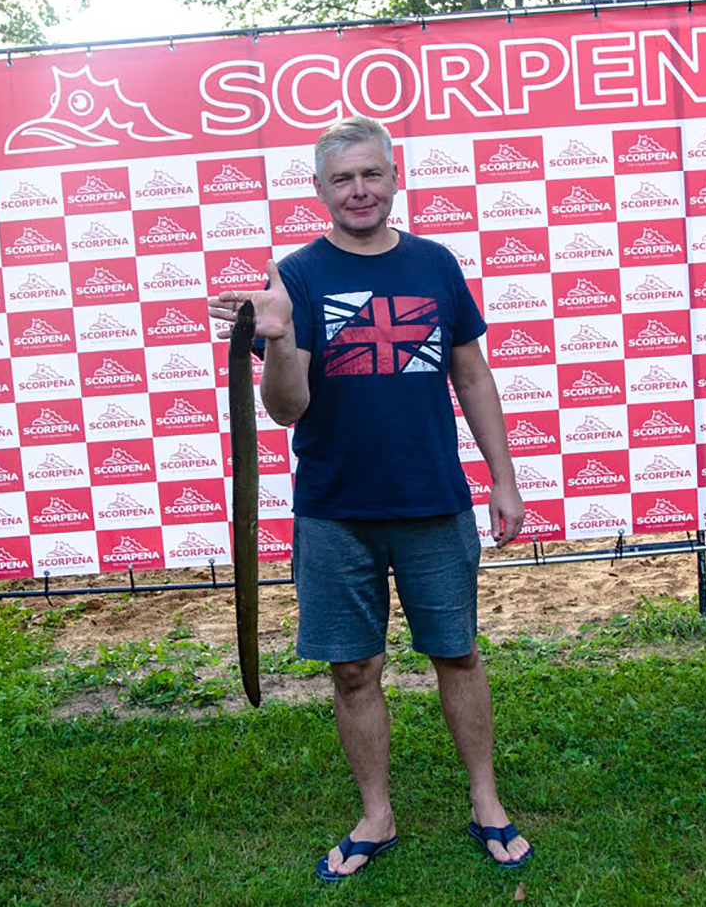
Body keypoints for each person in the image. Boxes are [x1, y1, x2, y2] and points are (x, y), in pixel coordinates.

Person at [208, 116, 531, 881]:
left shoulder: (434, 264)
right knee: (353, 670)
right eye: (342, 178)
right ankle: (375, 815)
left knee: (458, 653)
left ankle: (485, 800)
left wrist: (504, 477)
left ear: (393, 178)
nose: (359, 190)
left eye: (371, 174)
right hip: (335, 509)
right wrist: (277, 340)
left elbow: (471, 374)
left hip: (432, 500)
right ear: (319, 190)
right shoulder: (295, 277)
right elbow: (286, 408)